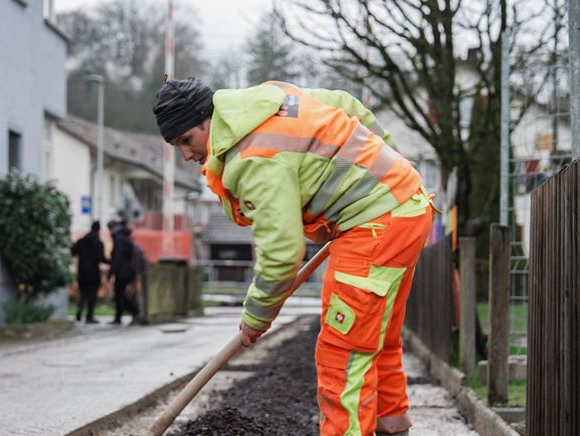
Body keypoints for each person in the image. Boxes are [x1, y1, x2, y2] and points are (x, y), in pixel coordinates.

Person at [153, 77, 437, 436]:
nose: (187, 154)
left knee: (342, 353)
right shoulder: (274, 97)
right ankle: (391, 426)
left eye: (186, 140)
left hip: (375, 225)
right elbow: (347, 104)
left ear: (207, 120)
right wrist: (396, 168)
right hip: (404, 208)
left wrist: (256, 315)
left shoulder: (251, 159)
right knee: (375, 337)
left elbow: (282, 253)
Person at [71, 221, 109, 324]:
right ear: (98, 230)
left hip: (82, 272)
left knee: (83, 293)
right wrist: (112, 262)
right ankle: (89, 316)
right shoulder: (98, 243)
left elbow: (73, 252)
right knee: (92, 295)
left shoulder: (81, 241)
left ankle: (79, 312)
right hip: (93, 273)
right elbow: (101, 258)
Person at [107, 220, 140, 325]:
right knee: (120, 294)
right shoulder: (124, 237)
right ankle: (119, 316)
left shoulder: (119, 239)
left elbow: (117, 257)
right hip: (127, 270)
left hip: (122, 271)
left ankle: (134, 312)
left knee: (120, 295)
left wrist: (111, 272)